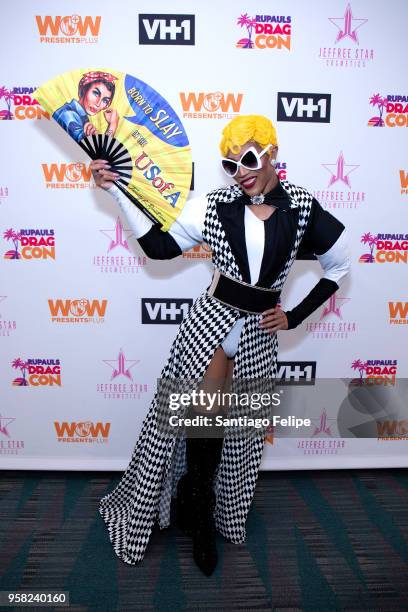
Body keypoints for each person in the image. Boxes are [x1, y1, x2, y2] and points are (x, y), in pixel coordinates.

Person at [92, 115, 350, 576]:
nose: (242, 171)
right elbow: (158, 248)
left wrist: (294, 316)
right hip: (210, 323)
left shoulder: (304, 206)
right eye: (231, 164)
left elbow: (339, 267)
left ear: (272, 154)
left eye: (249, 159)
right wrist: (115, 191)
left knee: (244, 430)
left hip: (260, 331)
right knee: (201, 418)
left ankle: (212, 511)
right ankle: (197, 513)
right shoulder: (212, 206)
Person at [53, 71, 119, 142]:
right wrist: (113, 125)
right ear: (84, 90)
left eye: (105, 100)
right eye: (96, 93)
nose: (98, 104)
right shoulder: (69, 115)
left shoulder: (80, 117)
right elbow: (99, 152)